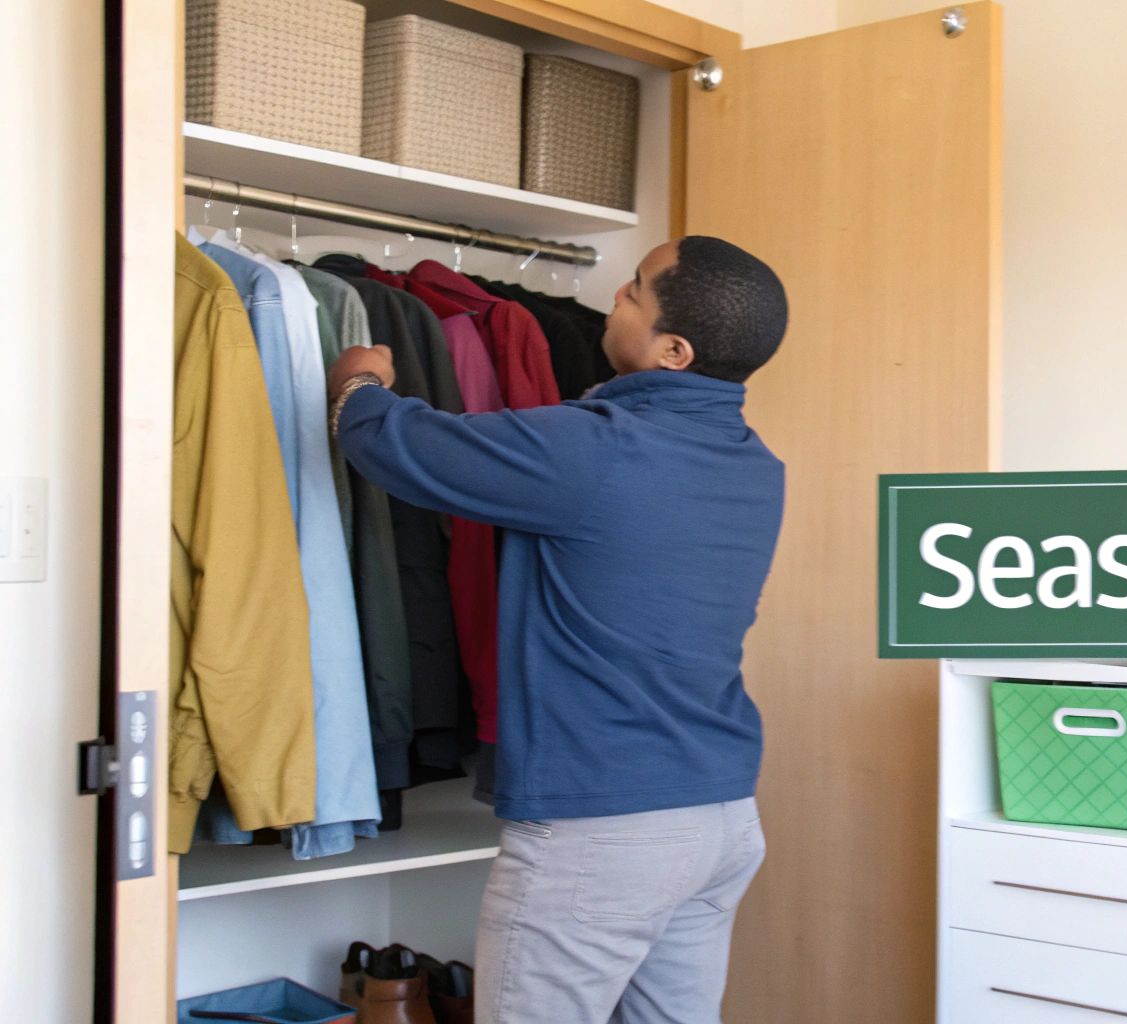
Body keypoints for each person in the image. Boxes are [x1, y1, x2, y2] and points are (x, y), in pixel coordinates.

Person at [327, 236, 790, 1024]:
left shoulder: (596, 449)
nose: (616, 294)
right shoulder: (753, 462)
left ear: (673, 350)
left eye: (635, 291)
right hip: (719, 816)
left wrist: (358, 378)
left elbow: (390, 441)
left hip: (606, 832)